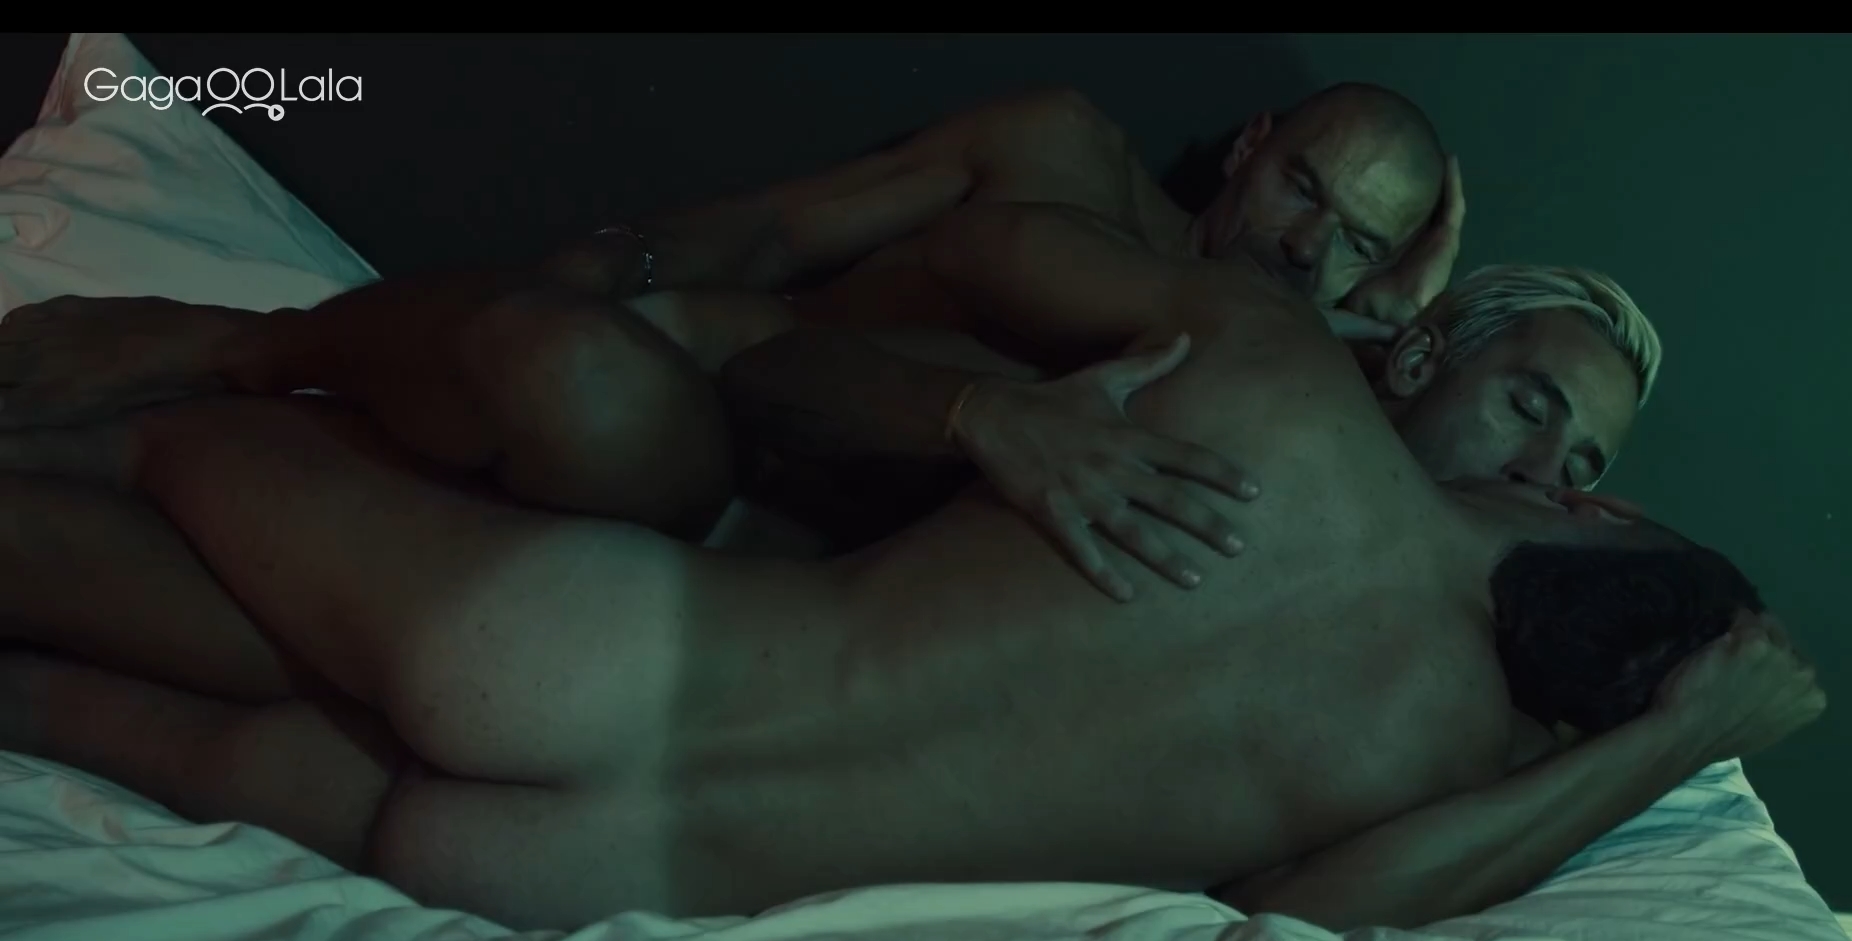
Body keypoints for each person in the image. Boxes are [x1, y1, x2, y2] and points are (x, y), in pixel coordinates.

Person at [0, 199, 1823, 934]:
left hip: (590, 656)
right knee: (106, 658)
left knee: (161, 471)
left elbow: (1327, 911)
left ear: (1596, 522)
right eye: (1534, 406)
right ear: (1426, 349)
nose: (1543, 464)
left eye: (1584, 469)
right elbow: (834, 322)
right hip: (588, 872)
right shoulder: (1419, 754)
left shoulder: (1266, 390)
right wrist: (984, 416)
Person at [0, 82, 1468, 588]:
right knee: (560, 369)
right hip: (687, 379)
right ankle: (238, 346)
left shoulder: (1287, 391)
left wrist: (1399, 330)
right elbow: (770, 235)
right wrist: (589, 272)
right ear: (1252, 146)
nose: (1307, 245)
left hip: (751, 548)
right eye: (1305, 188)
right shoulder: (1061, 158)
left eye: (1357, 238)